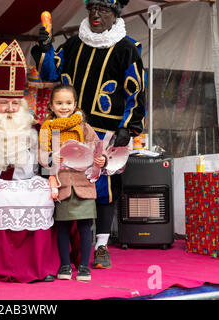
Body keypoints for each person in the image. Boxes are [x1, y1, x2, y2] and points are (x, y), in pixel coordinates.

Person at [32, 0, 146, 269]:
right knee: (65, 184)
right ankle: (67, 249)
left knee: (103, 188)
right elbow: (49, 73)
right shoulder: (73, 44)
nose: (96, 15)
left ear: (116, 14)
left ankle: (101, 245)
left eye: (103, 10)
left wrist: (128, 127)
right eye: (92, 9)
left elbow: (136, 92)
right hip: (67, 128)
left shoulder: (127, 48)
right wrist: (45, 48)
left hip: (105, 131)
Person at [0, 40, 59, 283]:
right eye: (3, 103)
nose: (9, 108)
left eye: (15, 103)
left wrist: (53, 171)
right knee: (2, 198)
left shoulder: (34, 128)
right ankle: (8, 269)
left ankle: (41, 267)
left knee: (43, 197)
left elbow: (46, 158)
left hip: (29, 181)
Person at [39, 84, 106, 281]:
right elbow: (41, 156)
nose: (64, 107)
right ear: (51, 105)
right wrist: (51, 158)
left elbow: (98, 149)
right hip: (61, 185)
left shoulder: (84, 127)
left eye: (68, 103)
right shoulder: (47, 128)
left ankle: (84, 266)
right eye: (59, 103)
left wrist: (103, 160)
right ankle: (65, 265)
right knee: (63, 227)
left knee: (85, 225)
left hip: (83, 183)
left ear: (75, 104)